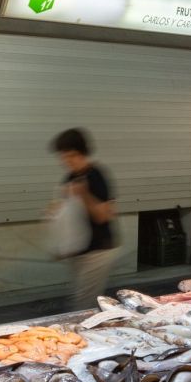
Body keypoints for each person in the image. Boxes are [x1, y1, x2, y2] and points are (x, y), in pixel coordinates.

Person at [51, 128, 118, 312]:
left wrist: (84, 195)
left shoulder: (96, 176)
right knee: (82, 299)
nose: (66, 161)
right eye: (63, 156)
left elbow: (103, 216)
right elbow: (67, 216)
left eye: (70, 156)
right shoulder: (70, 177)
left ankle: (89, 328)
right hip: (78, 250)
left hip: (99, 250)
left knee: (83, 304)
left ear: (82, 153)